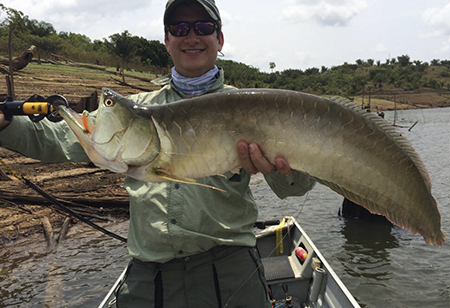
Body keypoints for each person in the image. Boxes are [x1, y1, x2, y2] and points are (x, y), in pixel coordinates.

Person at [0, 1, 315, 307]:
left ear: (219, 38)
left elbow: (296, 188)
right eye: (178, 28)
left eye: (202, 26)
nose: (190, 36)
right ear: (167, 40)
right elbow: (55, 139)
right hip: (149, 278)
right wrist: (5, 126)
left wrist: (282, 171)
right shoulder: (134, 109)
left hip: (231, 269)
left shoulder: (251, 107)